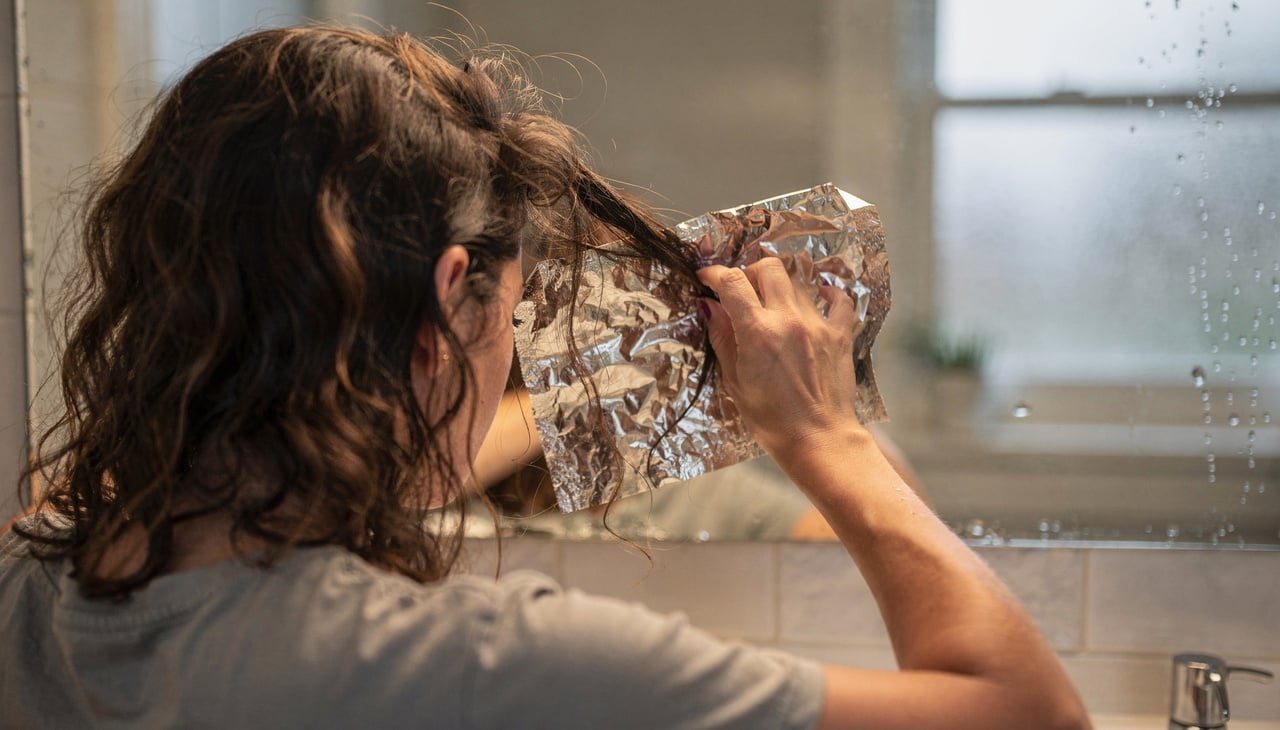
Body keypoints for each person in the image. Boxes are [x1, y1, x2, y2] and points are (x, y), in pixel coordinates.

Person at [0, 26, 1090, 729]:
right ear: (440, 311)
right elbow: (1028, 714)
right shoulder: (483, 668)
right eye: (502, 325)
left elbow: (363, 461)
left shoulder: (37, 588)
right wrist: (826, 436)